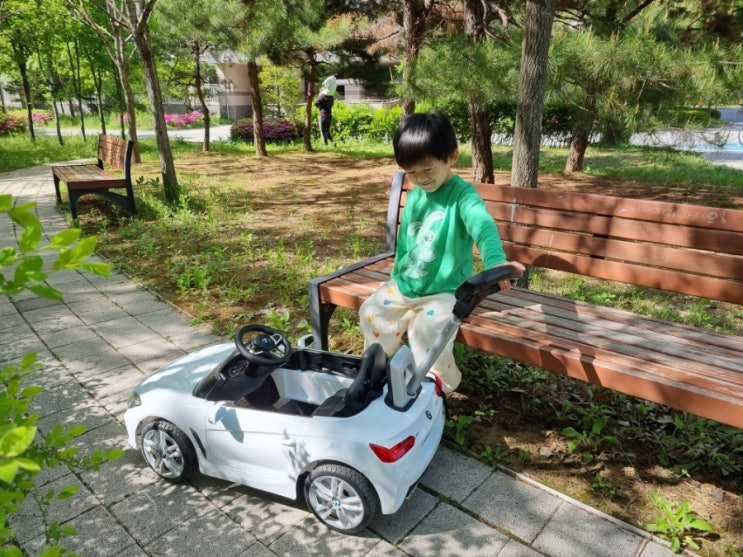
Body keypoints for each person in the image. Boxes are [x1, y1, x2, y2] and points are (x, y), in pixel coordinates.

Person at [359, 112, 525, 393]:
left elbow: (482, 226)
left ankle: (435, 381)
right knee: (371, 313)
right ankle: (378, 367)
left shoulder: (463, 196)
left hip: (445, 290)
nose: (420, 179)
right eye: (411, 172)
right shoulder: (415, 195)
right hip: (405, 284)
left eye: (427, 169)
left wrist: (496, 261)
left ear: (452, 157)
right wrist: (398, 275)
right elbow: (408, 242)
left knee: (428, 328)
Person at [314, 76, 337, 147]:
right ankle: (333, 142)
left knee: (322, 131)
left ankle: (325, 145)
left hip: (323, 116)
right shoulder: (331, 97)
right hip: (329, 115)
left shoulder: (322, 96)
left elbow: (316, 104)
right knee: (327, 131)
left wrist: (319, 96)